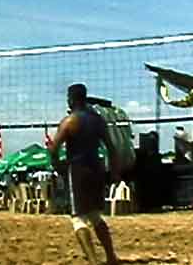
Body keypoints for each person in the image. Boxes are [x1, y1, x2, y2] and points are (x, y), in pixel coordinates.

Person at [48, 84, 120, 265]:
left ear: (71, 99)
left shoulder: (69, 121)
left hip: (78, 169)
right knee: (95, 215)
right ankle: (111, 257)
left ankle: (94, 261)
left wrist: (58, 167)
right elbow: (112, 148)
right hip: (96, 167)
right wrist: (114, 172)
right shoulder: (98, 120)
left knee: (78, 218)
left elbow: (53, 150)